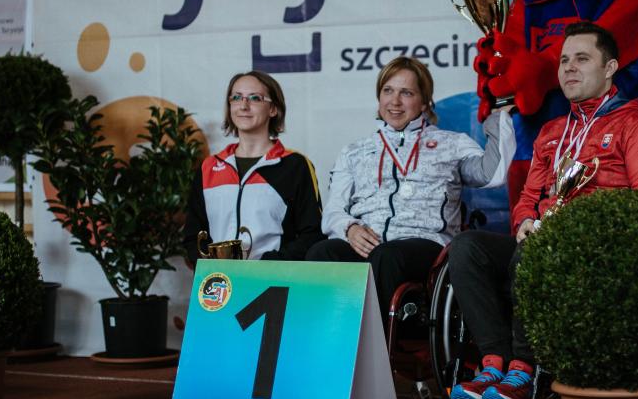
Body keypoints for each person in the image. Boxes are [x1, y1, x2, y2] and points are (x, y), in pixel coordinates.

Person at [448, 21, 638, 399]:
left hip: (598, 251)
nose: (568, 67)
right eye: (564, 60)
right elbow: (529, 197)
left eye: (582, 59)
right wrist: (523, 224)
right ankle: (493, 364)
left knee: (536, 253)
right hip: (542, 244)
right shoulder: (552, 131)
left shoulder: (637, 125)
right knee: (468, 247)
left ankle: (525, 372)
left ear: (610, 68)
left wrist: (580, 230)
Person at [306, 56, 514, 312]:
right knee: (322, 252)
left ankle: (378, 348)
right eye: (388, 91)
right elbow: (333, 212)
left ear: (425, 101)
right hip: (368, 244)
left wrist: (498, 118)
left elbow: (492, 175)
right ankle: (325, 343)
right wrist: (349, 229)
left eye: (406, 93)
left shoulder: (452, 143)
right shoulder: (354, 151)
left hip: (425, 244)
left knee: (387, 256)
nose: (394, 101)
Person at [183, 71, 324, 264]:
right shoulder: (209, 167)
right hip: (219, 285)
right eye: (236, 97)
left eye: (255, 98)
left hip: (272, 283)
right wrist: (208, 266)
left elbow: (312, 234)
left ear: (273, 109)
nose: (243, 105)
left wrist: (269, 264)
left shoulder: (295, 165)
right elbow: (193, 234)